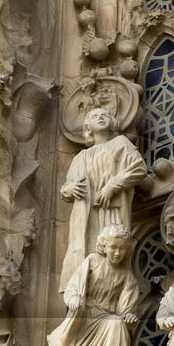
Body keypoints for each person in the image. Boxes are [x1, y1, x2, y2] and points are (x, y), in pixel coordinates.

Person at [47, 227, 142, 346]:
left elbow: (126, 308)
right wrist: (73, 299)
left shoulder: (126, 275)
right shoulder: (93, 262)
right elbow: (73, 287)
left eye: (122, 248)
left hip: (108, 319)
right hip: (86, 318)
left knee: (116, 323)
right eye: (113, 247)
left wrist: (129, 317)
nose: (117, 253)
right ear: (104, 246)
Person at [58, 106, 148, 285]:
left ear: (112, 123)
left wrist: (113, 186)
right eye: (95, 116)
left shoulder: (121, 143)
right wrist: (69, 189)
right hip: (86, 216)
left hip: (112, 209)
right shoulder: (80, 157)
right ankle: (85, 290)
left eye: (104, 115)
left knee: (114, 252)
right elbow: (67, 188)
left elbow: (139, 168)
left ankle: (113, 291)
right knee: (86, 257)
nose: (100, 117)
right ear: (88, 128)